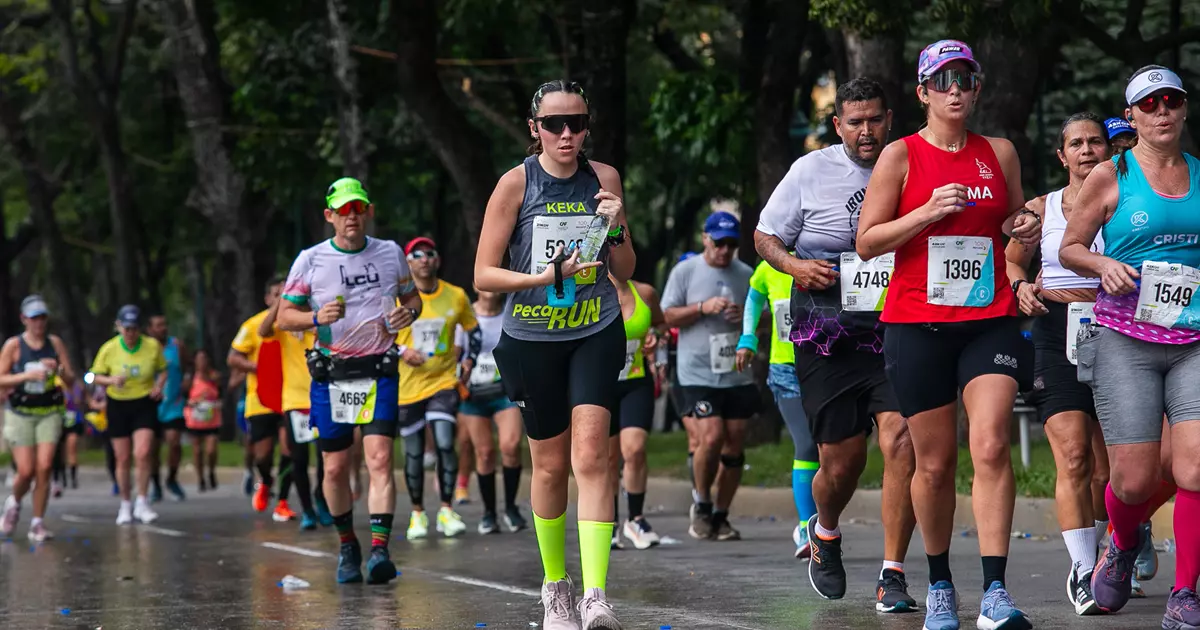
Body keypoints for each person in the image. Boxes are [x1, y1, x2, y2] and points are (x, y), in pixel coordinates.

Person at [855, 40, 1041, 630]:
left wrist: (1025, 228)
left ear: (977, 88)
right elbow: (867, 241)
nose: (954, 89)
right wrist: (927, 213)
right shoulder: (900, 157)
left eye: (964, 79)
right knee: (933, 465)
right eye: (942, 81)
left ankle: (994, 591)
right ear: (922, 93)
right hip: (916, 323)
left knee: (989, 444)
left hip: (987, 321)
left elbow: (1012, 226)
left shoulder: (999, 153)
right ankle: (939, 583)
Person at [754, 78, 919, 611]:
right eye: (855, 122)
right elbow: (765, 237)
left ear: (889, 118)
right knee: (842, 465)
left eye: (874, 119)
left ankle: (893, 573)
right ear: (838, 125)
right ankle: (824, 529)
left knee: (901, 441)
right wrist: (796, 266)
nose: (865, 131)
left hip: (898, 326)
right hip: (826, 335)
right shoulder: (810, 171)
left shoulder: (912, 161)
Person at [476, 79, 633, 628]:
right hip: (533, 337)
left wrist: (615, 229)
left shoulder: (605, 177)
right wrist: (542, 277)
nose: (568, 135)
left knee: (592, 457)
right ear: (534, 128)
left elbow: (626, 269)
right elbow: (483, 274)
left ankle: (596, 596)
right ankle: (555, 588)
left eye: (578, 123)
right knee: (548, 464)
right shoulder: (515, 184)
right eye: (555, 124)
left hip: (595, 327)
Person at [1059, 64, 1200, 628]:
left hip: (1194, 339)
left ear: (1184, 108)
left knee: (1194, 469)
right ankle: (1120, 543)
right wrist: (1103, 263)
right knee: (1135, 480)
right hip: (1128, 338)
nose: (1161, 112)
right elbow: (1071, 247)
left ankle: (1185, 592)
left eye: (1171, 100)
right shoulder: (1111, 175)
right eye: (1149, 105)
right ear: (1132, 116)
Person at [276, 176, 421, 585]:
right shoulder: (311, 260)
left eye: (358, 208)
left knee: (378, 459)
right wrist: (313, 318)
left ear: (368, 211)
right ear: (329, 216)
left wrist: (407, 315)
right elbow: (284, 318)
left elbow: (413, 299)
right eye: (343, 210)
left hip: (378, 369)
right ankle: (347, 546)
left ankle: (379, 550)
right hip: (332, 373)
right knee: (335, 468)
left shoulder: (390, 253)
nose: (351, 217)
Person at [1004, 112, 1114, 615]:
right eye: (1077, 143)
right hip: (1056, 329)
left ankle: (1115, 551)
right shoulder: (1040, 208)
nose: (1088, 149)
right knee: (1073, 456)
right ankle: (1083, 569)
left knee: (1109, 470)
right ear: (1062, 155)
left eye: (1096, 141)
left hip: (1121, 330)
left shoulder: (1130, 199)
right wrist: (1020, 285)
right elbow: (1009, 260)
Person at [662, 211, 758, 543]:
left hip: (736, 372)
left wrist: (743, 319)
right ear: (705, 238)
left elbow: (762, 319)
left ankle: (720, 515)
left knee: (734, 443)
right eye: (719, 243)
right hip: (696, 371)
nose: (725, 250)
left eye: (732, 244)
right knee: (711, 436)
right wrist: (702, 308)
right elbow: (667, 315)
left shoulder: (746, 274)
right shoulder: (685, 271)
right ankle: (701, 504)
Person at [395, 236, 474, 540]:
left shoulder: (455, 295)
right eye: (417, 254)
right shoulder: (397, 298)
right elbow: (381, 337)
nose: (424, 258)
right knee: (414, 454)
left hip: (443, 381)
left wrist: (466, 362)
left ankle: (446, 509)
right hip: (408, 385)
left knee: (444, 442)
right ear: (408, 263)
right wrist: (403, 353)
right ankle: (417, 513)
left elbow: (473, 331)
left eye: (430, 253)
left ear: (437, 260)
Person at [0, 296, 77, 541]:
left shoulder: (55, 344)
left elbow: (71, 379)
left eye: (42, 317)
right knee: (26, 470)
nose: (39, 323)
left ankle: (37, 523)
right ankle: (14, 501)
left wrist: (58, 370)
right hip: (20, 413)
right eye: (34, 318)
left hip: (49, 412)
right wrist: (26, 376)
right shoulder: (14, 346)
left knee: (44, 467)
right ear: (24, 320)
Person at [458, 287, 528, 534]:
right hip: (474, 393)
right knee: (485, 453)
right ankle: (489, 513)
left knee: (510, 445)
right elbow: (456, 351)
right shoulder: (465, 315)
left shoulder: (510, 313)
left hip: (504, 392)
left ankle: (510, 507)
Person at [89, 305, 167, 525]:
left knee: (142, 453)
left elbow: (163, 370)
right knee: (122, 457)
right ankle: (125, 503)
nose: (130, 334)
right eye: (126, 328)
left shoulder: (152, 347)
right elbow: (92, 376)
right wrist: (111, 380)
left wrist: (159, 386)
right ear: (118, 327)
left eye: (134, 329)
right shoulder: (109, 349)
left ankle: (142, 501)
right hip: (118, 403)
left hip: (143, 403)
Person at [229, 277, 296, 523]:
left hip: (290, 396)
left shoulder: (296, 322)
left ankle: (283, 501)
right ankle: (266, 481)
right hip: (261, 399)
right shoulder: (253, 325)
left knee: (290, 448)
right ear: (268, 298)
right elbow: (233, 358)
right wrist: (260, 368)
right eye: (276, 293)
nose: (281, 297)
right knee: (263, 454)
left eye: (285, 292)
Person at [607, 273, 666, 550]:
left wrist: (655, 337)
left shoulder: (645, 293)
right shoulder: (586, 292)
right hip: (599, 384)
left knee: (635, 449)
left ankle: (636, 518)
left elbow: (661, 326)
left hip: (635, 381)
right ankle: (608, 523)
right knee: (606, 459)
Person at [258, 285, 322, 531]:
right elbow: (263, 332)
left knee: (327, 458)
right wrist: (280, 302)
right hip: (295, 402)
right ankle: (307, 510)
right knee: (299, 458)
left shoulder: (319, 317)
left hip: (321, 399)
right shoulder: (285, 325)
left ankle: (322, 499)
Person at [147, 313, 188, 501]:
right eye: (158, 325)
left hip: (174, 403)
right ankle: (155, 484)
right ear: (150, 329)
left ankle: (171, 478)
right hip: (151, 405)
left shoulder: (176, 346)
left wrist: (187, 380)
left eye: (164, 324)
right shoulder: (144, 348)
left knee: (174, 442)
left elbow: (190, 366)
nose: (162, 328)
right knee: (152, 449)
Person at [184, 349, 222, 493]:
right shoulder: (190, 378)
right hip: (195, 418)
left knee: (211, 450)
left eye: (204, 358)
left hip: (212, 419)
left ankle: (211, 471)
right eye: (199, 359)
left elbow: (221, 393)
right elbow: (185, 396)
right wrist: (192, 402)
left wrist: (218, 402)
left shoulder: (214, 377)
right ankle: (200, 478)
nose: (202, 362)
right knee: (197, 450)